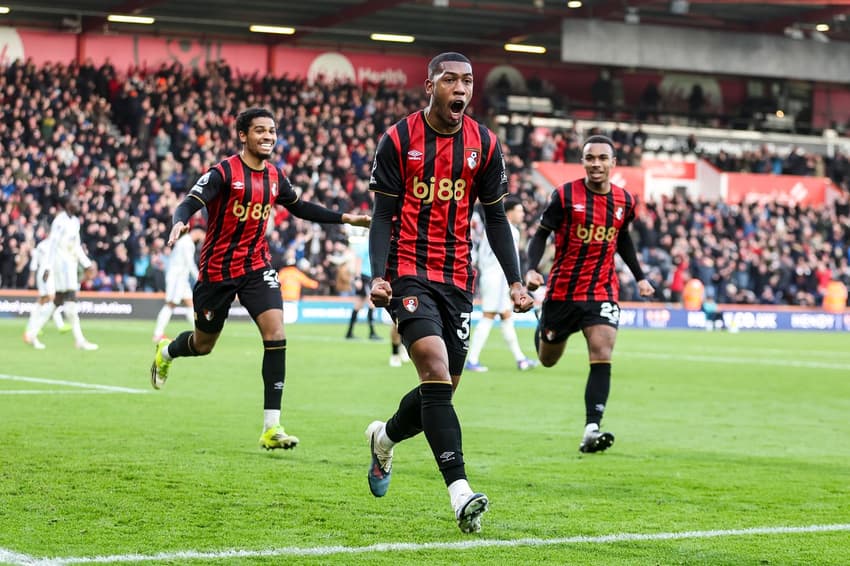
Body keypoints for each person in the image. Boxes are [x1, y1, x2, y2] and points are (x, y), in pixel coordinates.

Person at [365, 52, 534, 534]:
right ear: (430, 86)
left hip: (458, 278)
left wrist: (516, 281)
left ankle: (383, 438)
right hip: (408, 272)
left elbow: (496, 218)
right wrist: (379, 275)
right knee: (435, 372)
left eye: (468, 81)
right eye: (450, 80)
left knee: (441, 390)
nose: (460, 88)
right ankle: (460, 493)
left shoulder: (485, 143)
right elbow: (382, 215)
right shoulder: (398, 139)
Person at [149, 107, 370, 451]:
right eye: (260, 131)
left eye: (272, 131)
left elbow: (301, 207)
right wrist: (180, 220)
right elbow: (191, 200)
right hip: (217, 272)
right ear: (243, 135)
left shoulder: (276, 176)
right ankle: (168, 350)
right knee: (203, 345)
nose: (268, 136)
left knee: (276, 333)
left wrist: (347, 218)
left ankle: (272, 427)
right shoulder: (223, 172)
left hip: (256, 267)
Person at [525, 135, 654, 455]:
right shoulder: (565, 196)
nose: (596, 163)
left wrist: (640, 277)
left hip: (602, 289)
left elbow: (623, 239)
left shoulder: (625, 201)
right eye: (589, 158)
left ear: (613, 163)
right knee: (547, 359)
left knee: (602, 349)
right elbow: (540, 235)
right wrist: (530, 269)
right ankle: (544, 329)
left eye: (602, 158)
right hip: (562, 291)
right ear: (582, 162)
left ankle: (591, 427)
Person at [465, 196, 537, 372]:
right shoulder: (509, 231)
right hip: (497, 277)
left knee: (506, 316)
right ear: (510, 212)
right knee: (489, 315)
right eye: (519, 211)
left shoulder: (492, 227)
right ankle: (472, 359)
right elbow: (511, 259)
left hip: (491, 275)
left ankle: (520, 359)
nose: (522, 214)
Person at [24, 195, 98, 350]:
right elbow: (52, 245)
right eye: (74, 201)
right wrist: (48, 267)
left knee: (57, 302)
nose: (78, 203)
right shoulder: (59, 222)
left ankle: (32, 334)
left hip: (70, 265)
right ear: (66, 204)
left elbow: (76, 246)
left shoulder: (75, 222)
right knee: (70, 301)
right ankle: (79, 340)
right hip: (60, 266)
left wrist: (86, 263)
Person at [151, 224, 205, 342]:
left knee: (191, 303)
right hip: (177, 278)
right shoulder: (187, 243)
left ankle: (199, 332)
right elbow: (190, 263)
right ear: (198, 233)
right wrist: (199, 277)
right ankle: (157, 334)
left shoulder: (184, 242)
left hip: (181, 278)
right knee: (171, 304)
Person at [24, 235, 66, 350]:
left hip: (41, 273)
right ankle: (34, 332)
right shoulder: (56, 245)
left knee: (42, 301)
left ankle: (30, 329)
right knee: (53, 299)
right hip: (48, 274)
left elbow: (34, 262)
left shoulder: (41, 245)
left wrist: (32, 276)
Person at [345, 232, 380, 340]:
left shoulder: (371, 245)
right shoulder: (365, 245)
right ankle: (372, 333)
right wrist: (357, 278)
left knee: (358, 305)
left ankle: (349, 333)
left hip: (368, 277)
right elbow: (358, 262)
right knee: (371, 304)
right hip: (365, 277)